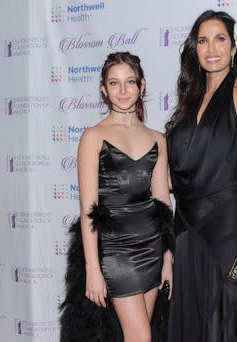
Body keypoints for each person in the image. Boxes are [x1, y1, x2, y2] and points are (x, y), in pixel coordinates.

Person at [165, 10, 237, 341]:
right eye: (203, 40)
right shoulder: (187, 102)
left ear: (234, 47)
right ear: (194, 49)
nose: (211, 48)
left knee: (230, 310)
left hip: (227, 224)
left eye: (220, 39)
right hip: (184, 225)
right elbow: (174, 173)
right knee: (192, 314)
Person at [60, 52, 174, 342]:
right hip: (115, 254)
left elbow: (163, 203)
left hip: (151, 247)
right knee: (140, 337)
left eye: (130, 82)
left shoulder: (158, 139)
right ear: (103, 89)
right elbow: (89, 209)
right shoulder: (93, 137)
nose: (123, 91)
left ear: (142, 86)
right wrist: (92, 269)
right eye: (114, 83)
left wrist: (168, 259)